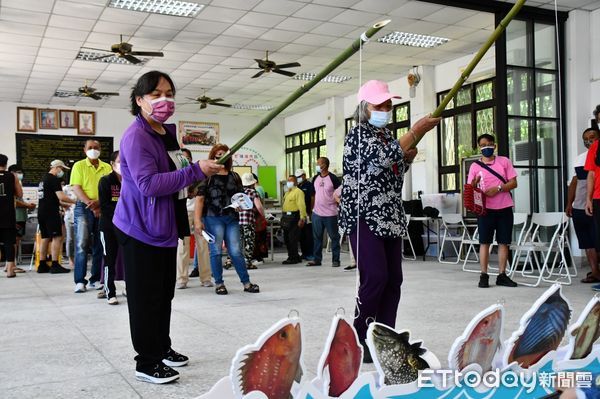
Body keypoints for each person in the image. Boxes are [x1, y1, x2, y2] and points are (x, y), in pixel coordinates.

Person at [113, 70, 222, 384]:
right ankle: (146, 362)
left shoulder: (166, 133)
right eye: (156, 94)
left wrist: (198, 172)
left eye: (169, 93)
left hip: (164, 226)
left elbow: (176, 170)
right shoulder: (136, 137)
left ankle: (161, 347)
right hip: (140, 228)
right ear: (139, 100)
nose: (165, 100)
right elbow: (147, 184)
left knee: (163, 295)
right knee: (145, 298)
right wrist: (194, 171)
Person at [339, 80, 440, 363]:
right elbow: (382, 159)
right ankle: (361, 338)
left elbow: (391, 174)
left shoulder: (386, 135)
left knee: (394, 279)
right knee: (375, 278)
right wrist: (417, 131)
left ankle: (384, 336)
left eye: (387, 105)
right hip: (365, 214)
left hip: (390, 215)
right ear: (364, 108)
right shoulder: (357, 136)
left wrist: (406, 160)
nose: (385, 109)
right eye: (378, 105)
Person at [194, 143, 260, 295]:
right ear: (213, 156)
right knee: (215, 251)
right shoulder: (207, 176)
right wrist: (197, 221)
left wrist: (239, 206)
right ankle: (219, 283)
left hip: (232, 219)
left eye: (223, 154)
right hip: (212, 218)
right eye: (217, 154)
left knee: (236, 251)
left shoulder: (234, 176)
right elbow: (200, 199)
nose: (220, 157)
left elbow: (241, 198)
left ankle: (246, 282)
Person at [468, 133, 519, 288]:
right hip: (485, 210)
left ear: (495, 146)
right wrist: (475, 184)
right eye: (483, 145)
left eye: (489, 144)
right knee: (485, 242)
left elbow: (513, 183)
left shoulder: (504, 162)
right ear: (479, 147)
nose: (486, 147)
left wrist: (498, 188)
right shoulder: (475, 166)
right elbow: (470, 189)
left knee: (504, 242)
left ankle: (502, 274)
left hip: (504, 207)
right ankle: (484, 275)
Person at [70, 139, 112, 292]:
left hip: (102, 207)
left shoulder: (107, 167)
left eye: (96, 147)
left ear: (100, 149)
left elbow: (110, 188)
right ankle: (80, 281)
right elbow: (76, 187)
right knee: (81, 244)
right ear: (84, 150)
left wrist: (99, 203)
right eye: (90, 147)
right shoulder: (79, 166)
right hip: (83, 207)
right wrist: (90, 203)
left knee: (100, 245)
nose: (93, 150)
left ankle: (95, 279)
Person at [566, 128, 600, 283]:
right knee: (587, 241)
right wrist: (569, 203)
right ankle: (595, 272)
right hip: (580, 205)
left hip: (595, 203)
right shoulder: (580, 158)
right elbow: (574, 182)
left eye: (592, 137)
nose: (588, 141)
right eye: (585, 138)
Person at [176, 148, 214, 289]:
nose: (184, 160)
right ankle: (181, 279)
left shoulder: (197, 173)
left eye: (187, 158)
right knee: (183, 246)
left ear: (191, 159)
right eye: (181, 157)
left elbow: (202, 193)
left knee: (203, 245)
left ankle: (205, 277)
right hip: (183, 211)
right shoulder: (176, 173)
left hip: (200, 212)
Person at [37, 160, 76, 274]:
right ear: (57, 167)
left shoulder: (43, 179)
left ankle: (42, 265)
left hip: (42, 211)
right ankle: (55, 264)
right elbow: (61, 197)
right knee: (57, 237)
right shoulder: (53, 179)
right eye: (62, 169)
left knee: (45, 238)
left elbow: (51, 199)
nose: (62, 172)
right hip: (51, 212)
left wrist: (68, 204)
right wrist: (75, 201)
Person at [307, 157, 341, 267]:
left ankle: (335, 260)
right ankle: (317, 259)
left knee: (334, 237)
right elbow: (313, 195)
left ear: (324, 165)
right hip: (317, 213)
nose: (317, 165)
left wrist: (339, 205)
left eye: (318, 163)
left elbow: (340, 193)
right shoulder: (315, 178)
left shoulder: (333, 178)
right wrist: (311, 211)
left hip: (330, 214)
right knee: (317, 238)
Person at [98, 151, 122, 305]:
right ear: (113, 164)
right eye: (120, 161)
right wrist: (124, 213)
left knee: (129, 259)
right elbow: (105, 205)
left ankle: (129, 288)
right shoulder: (106, 181)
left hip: (128, 227)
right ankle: (110, 291)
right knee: (110, 259)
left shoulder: (132, 179)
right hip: (109, 226)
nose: (123, 164)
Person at [9, 164, 35, 273]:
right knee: (14, 241)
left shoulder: (16, 183)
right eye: (18, 172)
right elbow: (14, 201)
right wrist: (27, 205)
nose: (20, 174)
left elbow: (18, 199)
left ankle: (10, 265)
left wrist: (27, 205)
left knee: (16, 240)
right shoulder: (11, 182)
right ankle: (12, 265)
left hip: (20, 216)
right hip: (16, 216)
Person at [0, 154, 22, 278]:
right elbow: (19, 193)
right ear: (6, 164)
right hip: (8, 214)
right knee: (9, 242)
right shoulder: (12, 176)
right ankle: (10, 270)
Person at [240, 172, 265, 269]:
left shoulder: (239, 192)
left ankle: (237, 262)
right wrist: (263, 215)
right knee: (249, 242)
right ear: (252, 183)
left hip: (238, 222)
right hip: (248, 221)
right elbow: (259, 206)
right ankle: (247, 263)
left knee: (239, 242)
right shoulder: (253, 192)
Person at [281, 175, 307, 264]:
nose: (289, 182)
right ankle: (293, 256)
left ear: (295, 182)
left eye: (291, 180)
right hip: (286, 218)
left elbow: (302, 205)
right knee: (287, 239)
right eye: (288, 180)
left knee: (293, 239)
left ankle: (293, 258)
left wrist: (302, 218)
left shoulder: (298, 192)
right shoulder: (287, 192)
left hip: (294, 217)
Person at [295, 169, 315, 261]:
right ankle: (304, 253)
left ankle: (310, 253)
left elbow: (312, 198)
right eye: (297, 177)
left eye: (300, 177)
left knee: (308, 234)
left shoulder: (309, 185)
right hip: (300, 214)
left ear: (304, 175)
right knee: (301, 235)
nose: (298, 179)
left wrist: (311, 210)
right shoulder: (298, 186)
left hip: (307, 213)